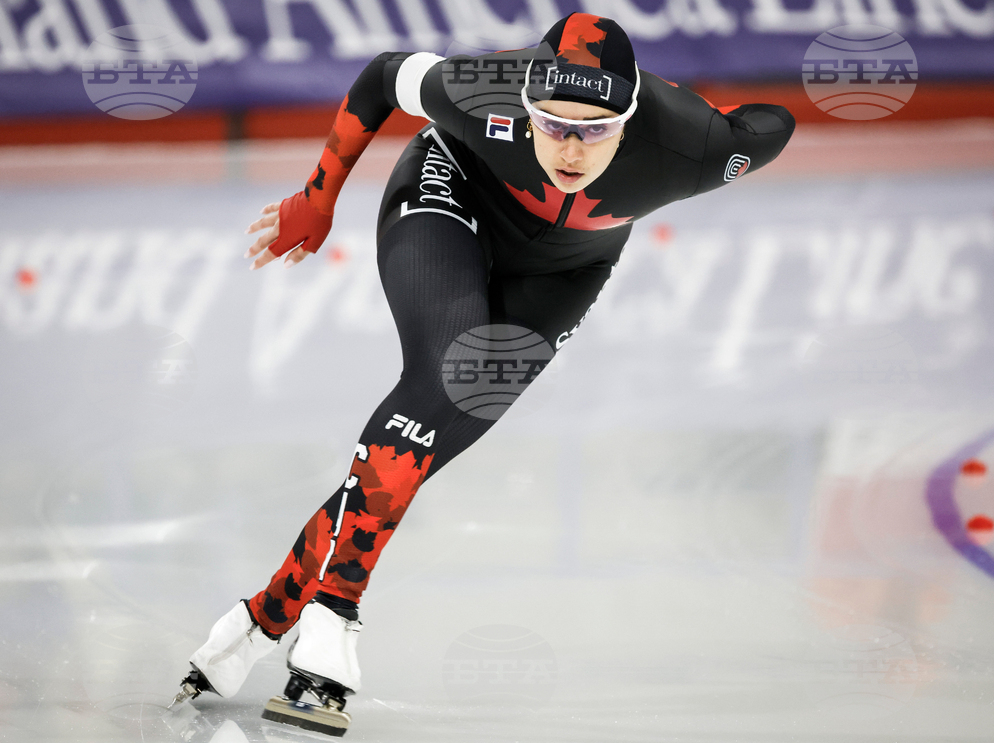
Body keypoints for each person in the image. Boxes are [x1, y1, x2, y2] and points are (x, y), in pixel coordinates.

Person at [170, 12, 796, 736]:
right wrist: (318, 195)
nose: (570, 148)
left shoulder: (694, 144)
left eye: (595, 130)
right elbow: (382, 77)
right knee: (445, 370)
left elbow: (773, 122)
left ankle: (262, 618)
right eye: (552, 123)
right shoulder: (483, 88)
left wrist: (689, 110)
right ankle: (333, 615)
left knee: (418, 448)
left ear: (630, 119)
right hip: (449, 196)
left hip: (565, 272)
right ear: (525, 103)